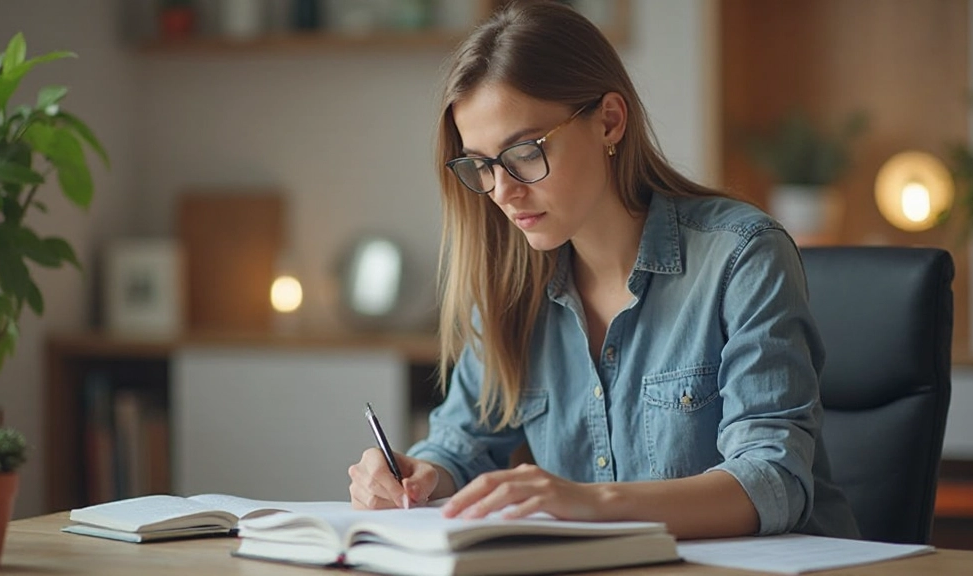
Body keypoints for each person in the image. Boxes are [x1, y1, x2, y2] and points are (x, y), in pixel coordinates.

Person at [348, 0, 860, 540]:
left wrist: (590, 503)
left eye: (523, 152)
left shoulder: (742, 256)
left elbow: (772, 481)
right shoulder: (509, 282)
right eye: (481, 165)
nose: (502, 190)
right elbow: (461, 442)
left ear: (610, 121)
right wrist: (423, 475)